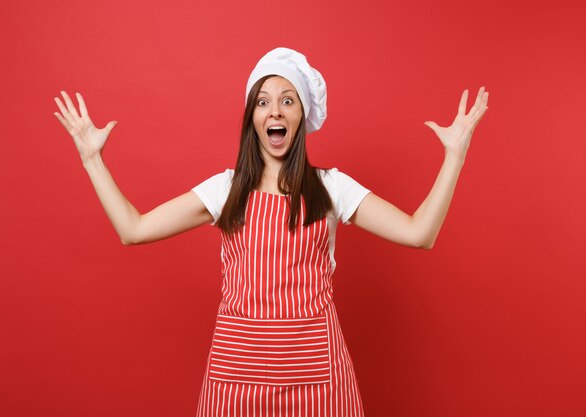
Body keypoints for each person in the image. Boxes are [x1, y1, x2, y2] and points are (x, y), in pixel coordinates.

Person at [53, 47, 489, 416]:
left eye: (287, 100)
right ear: (252, 117)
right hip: (235, 380)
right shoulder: (225, 190)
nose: (274, 111)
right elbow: (134, 228)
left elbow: (420, 233)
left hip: (317, 379)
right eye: (262, 101)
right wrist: (92, 158)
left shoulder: (331, 187)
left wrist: (455, 157)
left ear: (302, 115)